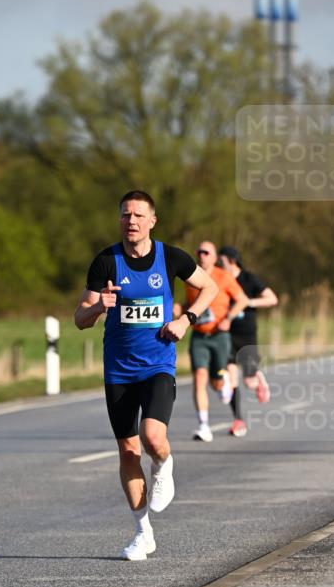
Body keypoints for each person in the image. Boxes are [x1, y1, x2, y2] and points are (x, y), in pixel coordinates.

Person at [74, 191, 218, 560]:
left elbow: (210, 287)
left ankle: (164, 464)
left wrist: (186, 320)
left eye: (138, 215)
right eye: (125, 215)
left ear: (152, 221)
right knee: (128, 450)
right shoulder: (106, 262)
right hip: (118, 370)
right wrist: (98, 307)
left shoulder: (171, 257)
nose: (131, 221)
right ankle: (143, 533)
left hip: (158, 365)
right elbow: (80, 319)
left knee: (153, 437)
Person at [176, 241, 249, 442]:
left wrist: (228, 319)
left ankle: (223, 381)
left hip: (219, 334)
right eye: (199, 252)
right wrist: (180, 309)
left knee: (217, 382)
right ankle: (204, 426)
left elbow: (242, 299)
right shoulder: (190, 276)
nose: (202, 255)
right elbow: (192, 304)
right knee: (200, 376)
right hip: (199, 335)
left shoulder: (223, 276)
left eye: (206, 252)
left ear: (215, 257)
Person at [217, 246, 278, 438]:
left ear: (232, 260)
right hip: (227, 333)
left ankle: (257, 379)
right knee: (230, 375)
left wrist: (248, 302)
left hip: (247, 334)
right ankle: (238, 419)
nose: (219, 264)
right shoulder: (220, 279)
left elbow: (272, 299)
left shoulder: (249, 278)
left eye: (222, 260)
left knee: (249, 382)